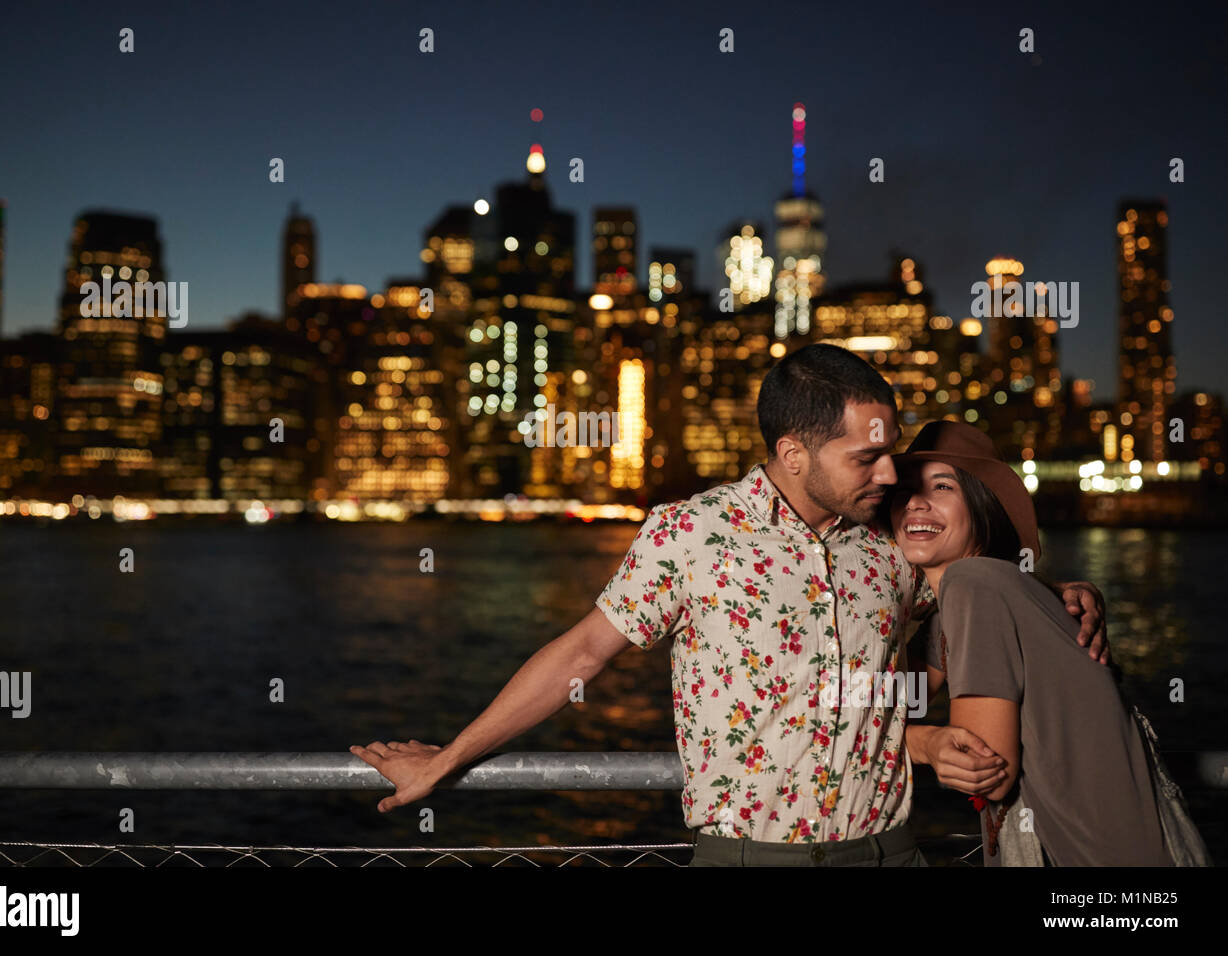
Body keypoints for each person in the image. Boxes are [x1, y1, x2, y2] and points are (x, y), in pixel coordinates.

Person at [350, 344, 1108, 866]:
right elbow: (581, 655)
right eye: (867, 457)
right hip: (748, 859)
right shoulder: (691, 533)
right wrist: (447, 761)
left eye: (892, 449)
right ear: (793, 455)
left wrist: (1056, 599)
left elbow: (925, 654)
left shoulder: (887, 544)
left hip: (889, 853)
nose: (891, 473)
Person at [892, 419, 1211, 866]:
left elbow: (985, 770)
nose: (915, 502)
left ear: (983, 507)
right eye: (903, 489)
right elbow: (889, 702)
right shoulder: (979, 599)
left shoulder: (974, 584)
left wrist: (921, 744)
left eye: (942, 486)